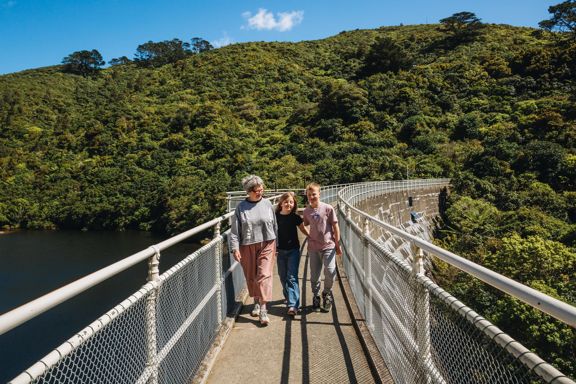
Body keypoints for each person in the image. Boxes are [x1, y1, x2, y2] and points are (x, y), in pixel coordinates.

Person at [230, 175, 277, 326]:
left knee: (264, 275)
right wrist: (234, 248)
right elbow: (235, 231)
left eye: (261, 190)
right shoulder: (241, 207)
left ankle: (263, 309)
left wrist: (278, 245)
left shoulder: (268, 204)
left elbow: (275, 226)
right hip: (247, 245)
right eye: (256, 191)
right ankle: (256, 300)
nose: (259, 193)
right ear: (249, 192)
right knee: (251, 276)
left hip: (267, 243)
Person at [303, 183, 342, 312]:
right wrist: (309, 235)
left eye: (314, 194)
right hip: (313, 247)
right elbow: (305, 224)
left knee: (330, 271)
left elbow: (335, 226)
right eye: (309, 195)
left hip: (328, 245)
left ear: (319, 194)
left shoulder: (328, 208)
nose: (312, 197)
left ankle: (327, 293)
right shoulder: (306, 211)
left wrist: (337, 244)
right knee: (314, 275)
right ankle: (316, 296)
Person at [275, 192, 309, 316]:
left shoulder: (295, 217)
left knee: (292, 277)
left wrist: (311, 237)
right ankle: (289, 296)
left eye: (291, 202)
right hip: (280, 251)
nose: (288, 204)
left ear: (294, 204)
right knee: (282, 276)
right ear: (281, 203)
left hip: (293, 250)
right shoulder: (275, 217)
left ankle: (293, 305)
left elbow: (303, 229)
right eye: (286, 202)